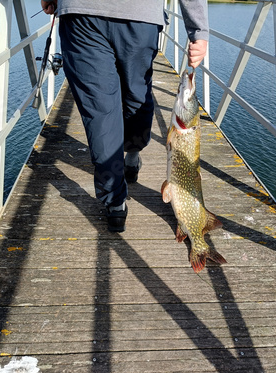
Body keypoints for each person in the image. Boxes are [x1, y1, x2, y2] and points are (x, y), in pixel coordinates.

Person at [40, 0, 208, 232]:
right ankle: (128, 164)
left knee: (103, 112)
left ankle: (116, 199)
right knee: (134, 98)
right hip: (139, 15)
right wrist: (198, 29)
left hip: (82, 13)